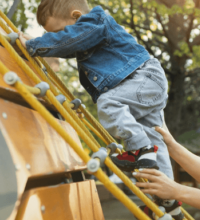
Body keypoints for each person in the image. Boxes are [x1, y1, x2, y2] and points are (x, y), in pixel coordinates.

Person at [18, 0, 183, 218]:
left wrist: (33, 45)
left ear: (76, 17)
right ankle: (170, 202)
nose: (60, 37)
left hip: (143, 79)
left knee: (108, 103)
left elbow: (69, 40)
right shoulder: (86, 34)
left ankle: (139, 150)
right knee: (155, 140)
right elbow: (66, 45)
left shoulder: (95, 21)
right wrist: (36, 41)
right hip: (145, 86)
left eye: (60, 31)